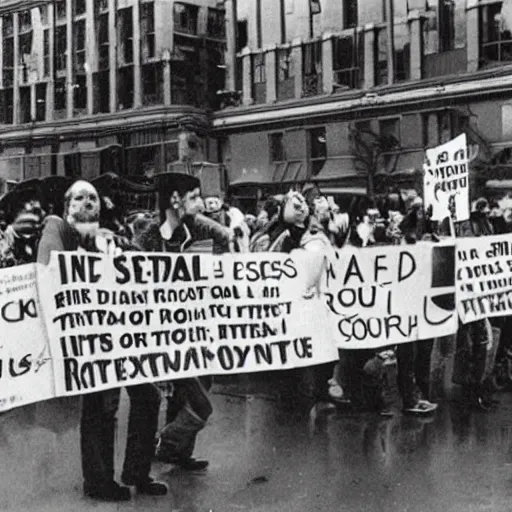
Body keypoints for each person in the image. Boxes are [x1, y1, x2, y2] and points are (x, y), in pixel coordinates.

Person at [37, 180, 167, 501]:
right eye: (79, 198)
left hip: (122, 338)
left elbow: (142, 264)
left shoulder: (108, 236)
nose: (87, 203)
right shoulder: (57, 229)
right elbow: (49, 264)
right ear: (67, 208)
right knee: (101, 407)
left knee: (148, 397)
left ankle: (137, 472)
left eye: (92, 198)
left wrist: (119, 248)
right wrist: (84, 247)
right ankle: (97, 481)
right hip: (89, 342)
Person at [136, 172, 232, 471]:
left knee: (192, 393)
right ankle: (164, 444)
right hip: (163, 330)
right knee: (198, 402)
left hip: (199, 329)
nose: (200, 203)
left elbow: (227, 247)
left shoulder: (201, 229)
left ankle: (177, 451)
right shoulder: (147, 238)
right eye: (193, 197)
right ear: (174, 200)